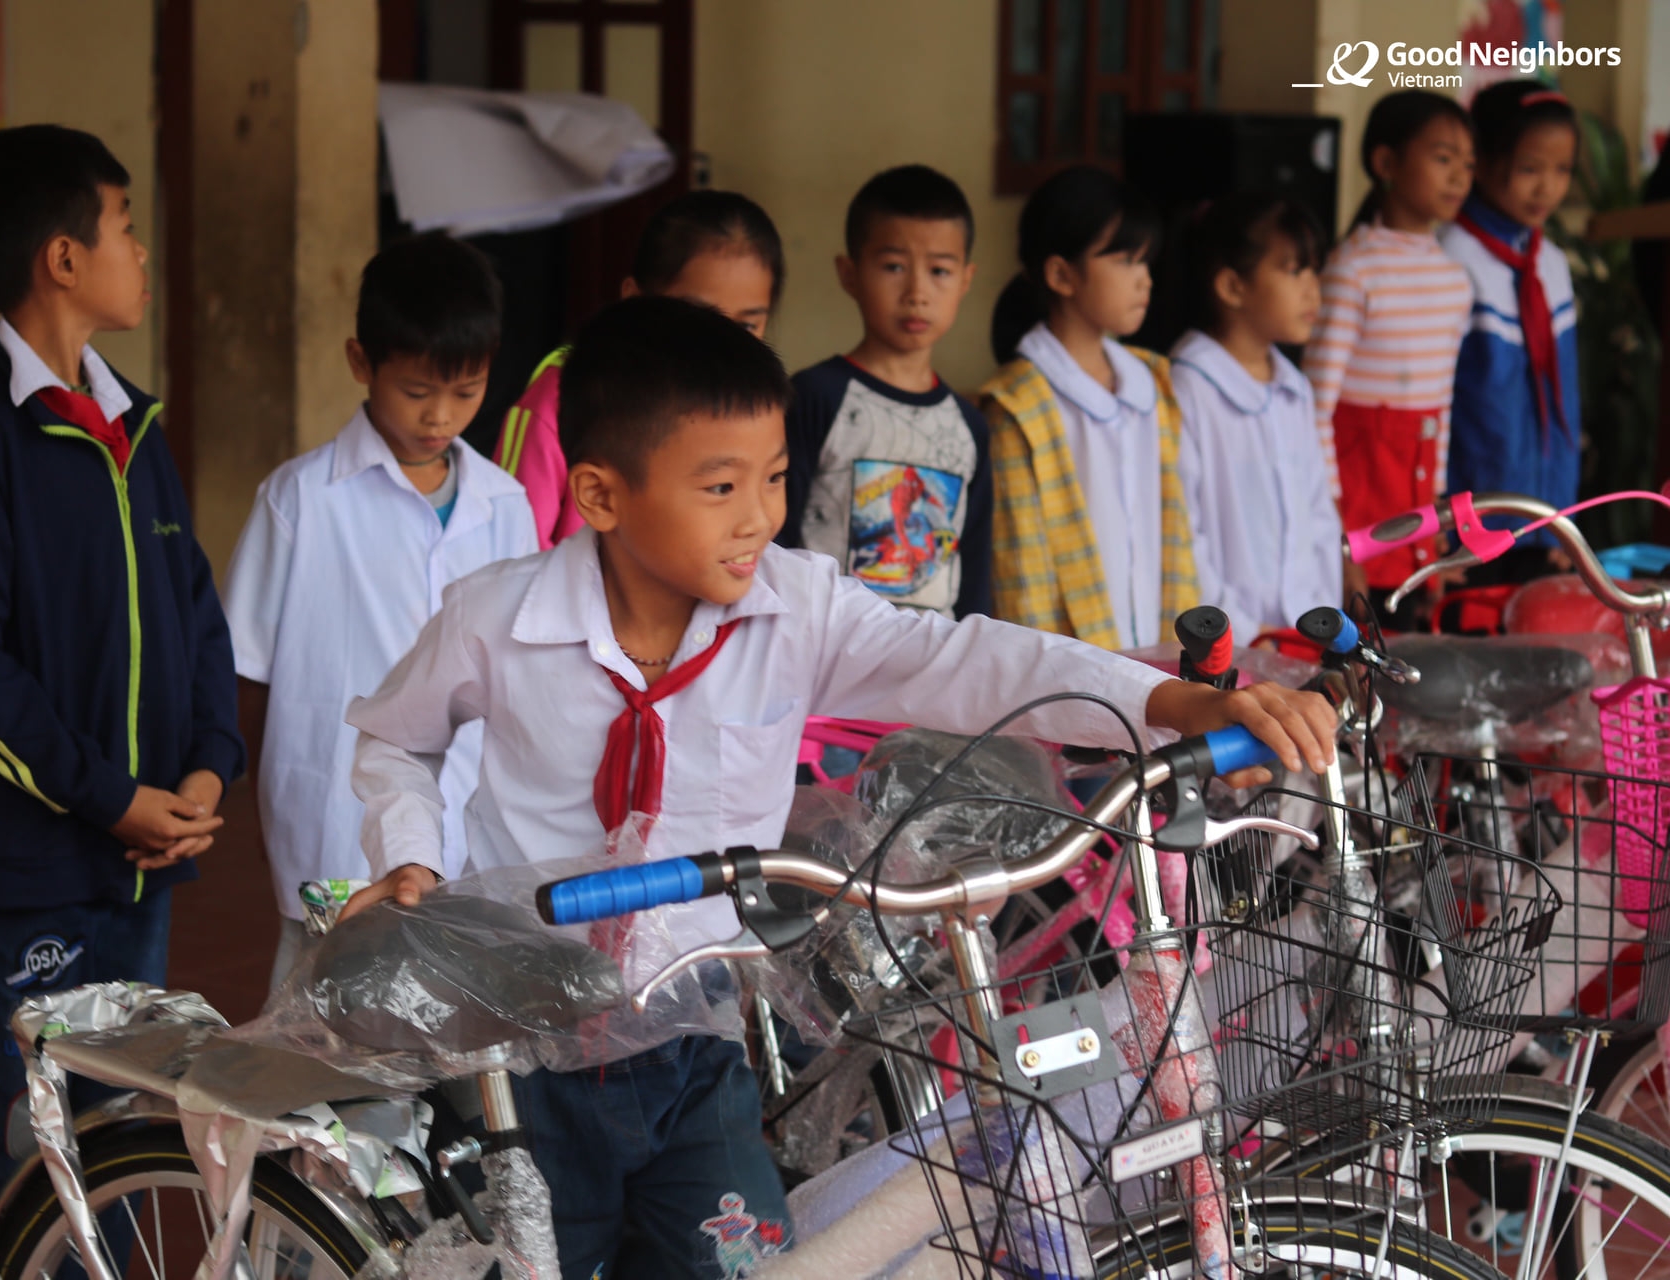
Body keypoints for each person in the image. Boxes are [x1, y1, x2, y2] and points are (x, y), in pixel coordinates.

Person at [337, 294, 1338, 1278]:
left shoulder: (794, 608)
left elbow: (969, 660)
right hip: (527, 1044)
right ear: (601, 496)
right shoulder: (493, 618)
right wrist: (410, 855)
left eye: (774, 478)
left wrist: (1172, 701)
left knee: (746, 1259)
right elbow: (393, 737)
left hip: (697, 1035)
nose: (760, 516)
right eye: (720, 488)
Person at [0, 125, 242, 1268]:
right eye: (127, 224)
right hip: (33, 864)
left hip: (138, 851)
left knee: (125, 1114)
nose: (141, 251)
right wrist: (112, 796)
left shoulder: (134, 424)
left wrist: (206, 762)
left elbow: (193, 608)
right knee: (25, 1126)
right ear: (61, 256)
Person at [222, 234, 536, 986]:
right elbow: (246, 667)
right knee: (323, 1015)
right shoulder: (300, 500)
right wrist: (255, 798)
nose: (441, 416)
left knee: (462, 1032)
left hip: (466, 818)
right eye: (418, 391)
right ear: (362, 362)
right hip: (333, 816)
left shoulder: (505, 505)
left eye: (466, 392)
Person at [982, 164, 1196, 649]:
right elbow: (1022, 576)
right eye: (1125, 261)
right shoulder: (1017, 405)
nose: (1144, 281)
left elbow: (1177, 540)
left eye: (1146, 263)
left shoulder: (1154, 383)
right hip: (1071, 683)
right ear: (1061, 274)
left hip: (1159, 668)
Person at [496, 189, 784, 549]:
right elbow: (510, 546)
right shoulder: (564, 398)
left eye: (746, 327)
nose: (720, 345)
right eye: (697, 318)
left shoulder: (753, 415)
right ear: (635, 299)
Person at [778, 164, 993, 619]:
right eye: (893, 266)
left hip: (932, 666)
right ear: (849, 273)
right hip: (825, 656)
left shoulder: (969, 426)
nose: (917, 292)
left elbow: (972, 569)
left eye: (939, 270)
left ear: (966, 280)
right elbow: (777, 534)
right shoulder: (816, 397)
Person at [1303, 90, 1475, 596]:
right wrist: (1337, 540)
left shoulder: (1454, 279)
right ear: (1385, 163)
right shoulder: (1353, 269)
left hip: (1413, 516)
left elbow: (1437, 411)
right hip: (1354, 512)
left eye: (1468, 163)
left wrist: (1437, 522)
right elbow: (1315, 409)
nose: (1459, 176)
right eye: (1443, 159)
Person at [1170, 192, 1342, 639]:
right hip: (1229, 644)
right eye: (1292, 270)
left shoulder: (1294, 388)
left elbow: (1318, 518)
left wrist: (1323, 620)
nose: (1312, 289)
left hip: (1302, 640)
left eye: (1313, 270)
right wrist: (1242, 629)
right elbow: (1186, 532)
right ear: (1231, 286)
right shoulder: (1188, 386)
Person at [1441, 80, 1581, 584]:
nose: (1547, 188)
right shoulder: (1452, 256)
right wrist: (1441, 527)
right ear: (1485, 160)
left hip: (1540, 522)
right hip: (1471, 525)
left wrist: (1563, 522)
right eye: (1529, 169)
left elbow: (1565, 407)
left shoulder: (1552, 264)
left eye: (1562, 170)